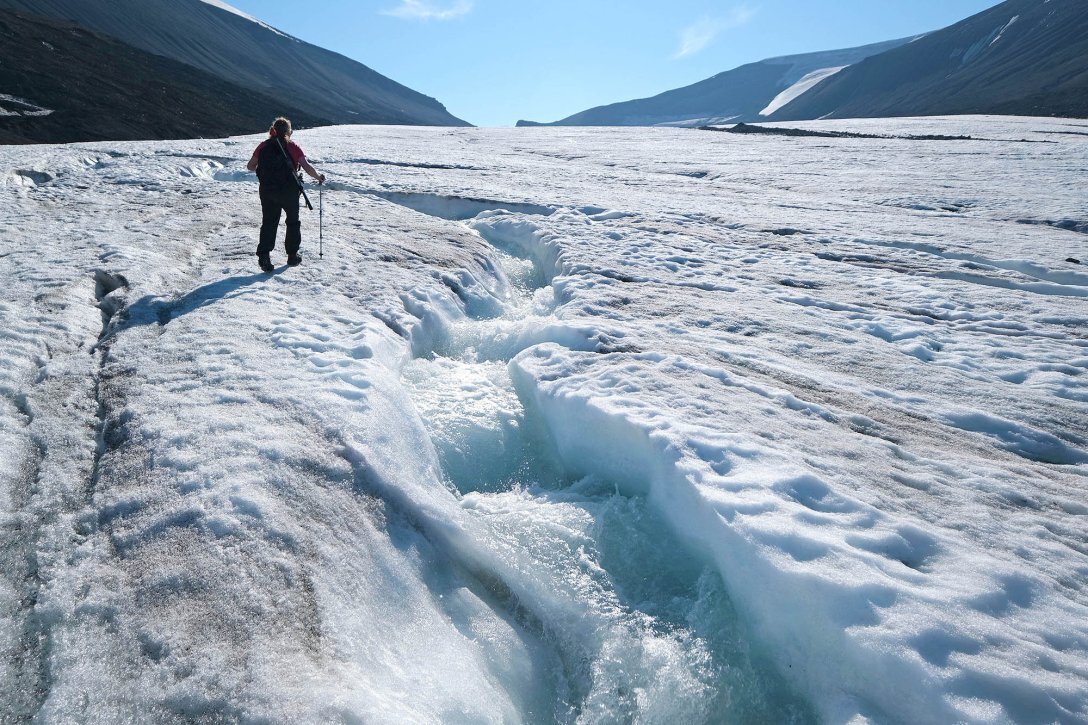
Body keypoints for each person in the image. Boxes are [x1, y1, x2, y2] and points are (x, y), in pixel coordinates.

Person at [246, 117, 325, 272]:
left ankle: (264, 257)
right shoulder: (293, 147)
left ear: (273, 130)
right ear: (289, 131)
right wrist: (318, 177)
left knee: (269, 222)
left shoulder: (263, 146)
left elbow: (250, 166)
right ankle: (292, 255)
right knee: (293, 222)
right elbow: (306, 167)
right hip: (289, 191)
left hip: (268, 191)